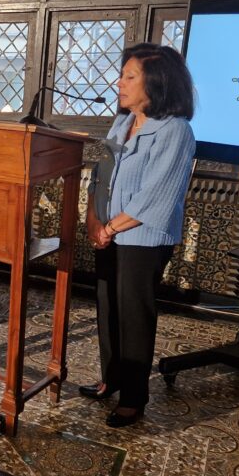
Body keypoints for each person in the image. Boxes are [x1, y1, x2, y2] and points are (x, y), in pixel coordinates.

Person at [81, 43, 195, 428]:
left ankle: (133, 397)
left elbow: (157, 195)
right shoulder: (123, 122)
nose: (120, 83)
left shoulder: (175, 131)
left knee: (133, 314)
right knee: (107, 306)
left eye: (130, 77)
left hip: (142, 239)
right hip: (108, 232)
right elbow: (101, 174)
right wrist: (93, 219)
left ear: (157, 83)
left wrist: (110, 228)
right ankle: (111, 378)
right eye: (122, 75)